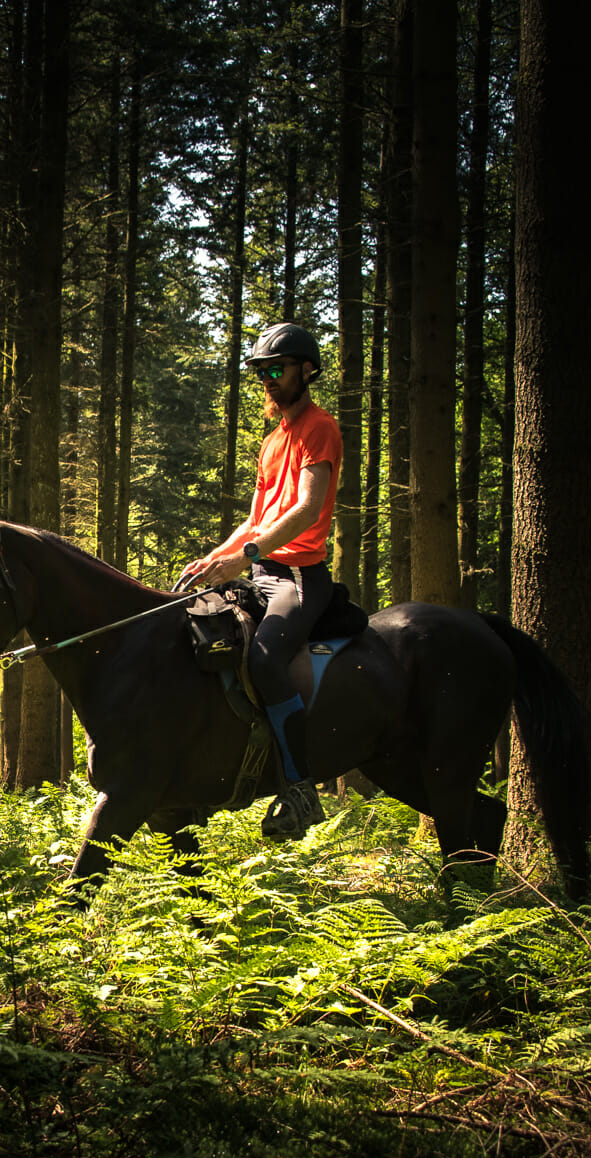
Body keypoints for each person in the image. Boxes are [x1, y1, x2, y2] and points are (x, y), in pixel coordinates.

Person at [180, 322, 342, 840]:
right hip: (260, 569)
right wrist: (214, 559)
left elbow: (306, 508)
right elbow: (255, 519)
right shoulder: (272, 440)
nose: (268, 380)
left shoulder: (321, 428)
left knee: (267, 659)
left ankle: (299, 789)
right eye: (262, 372)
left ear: (307, 370)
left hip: (299, 576)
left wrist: (243, 557)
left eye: (278, 369)